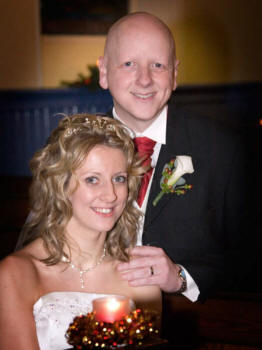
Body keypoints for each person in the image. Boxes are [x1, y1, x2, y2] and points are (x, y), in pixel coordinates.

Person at [97, 12, 248, 302]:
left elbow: (248, 256)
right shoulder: (71, 148)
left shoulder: (222, 150)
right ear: (104, 72)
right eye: (129, 64)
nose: (144, 80)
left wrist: (180, 277)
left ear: (175, 74)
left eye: (158, 65)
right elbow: (37, 250)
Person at [0, 114, 161, 350]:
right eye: (92, 180)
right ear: (61, 186)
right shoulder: (15, 274)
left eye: (119, 178)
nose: (111, 195)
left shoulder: (140, 280)